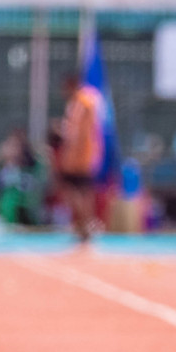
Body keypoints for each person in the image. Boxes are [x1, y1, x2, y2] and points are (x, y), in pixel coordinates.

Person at [55, 72, 104, 242]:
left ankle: (85, 225)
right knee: (83, 191)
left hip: (79, 157)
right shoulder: (88, 100)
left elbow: (76, 132)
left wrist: (62, 132)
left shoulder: (81, 102)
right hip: (85, 154)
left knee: (76, 190)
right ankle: (85, 225)